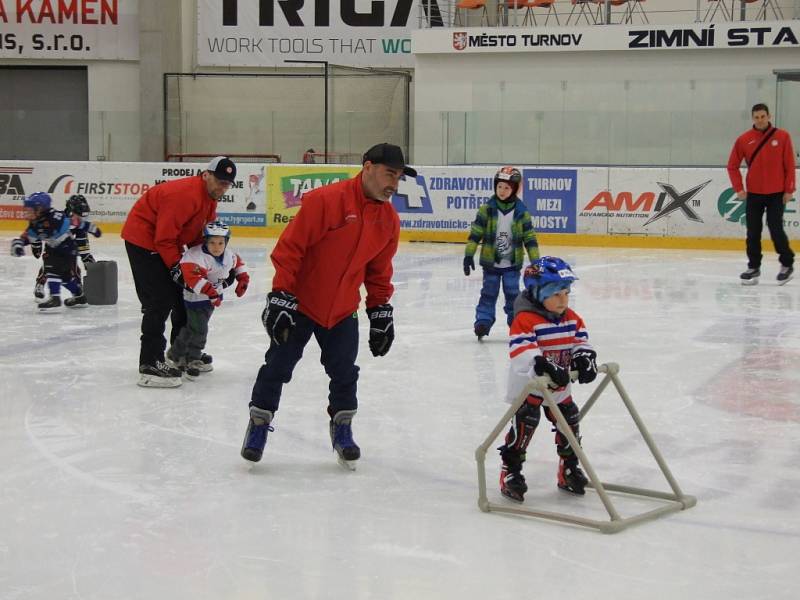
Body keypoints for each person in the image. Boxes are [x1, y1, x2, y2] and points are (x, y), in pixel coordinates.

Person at [241, 142, 414, 469]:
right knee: (277, 367)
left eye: (399, 176)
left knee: (345, 373)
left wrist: (380, 312)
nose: (394, 183)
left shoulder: (388, 220)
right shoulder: (326, 201)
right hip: (301, 305)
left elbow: (379, 273)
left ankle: (343, 429)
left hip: (343, 310)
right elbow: (290, 249)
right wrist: (281, 297)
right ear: (367, 167)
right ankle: (259, 424)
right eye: (390, 173)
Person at [121, 156, 237, 388]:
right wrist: (178, 268)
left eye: (227, 184)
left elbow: (198, 238)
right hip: (144, 242)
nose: (222, 188)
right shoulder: (184, 196)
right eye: (219, 181)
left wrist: (215, 264)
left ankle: (180, 352)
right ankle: (150, 363)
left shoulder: (209, 198)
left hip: (165, 243)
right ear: (206, 175)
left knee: (183, 296)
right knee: (160, 300)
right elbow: (164, 238)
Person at [498, 256, 598, 502]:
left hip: (559, 387)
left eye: (566, 293)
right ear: (537, 292)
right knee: (525, 423)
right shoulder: (525, 319)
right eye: (556, 294)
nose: (564, 300)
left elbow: (580, 341)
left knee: (570, 421)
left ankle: (569, 467)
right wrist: (541, 363)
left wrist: (584, 357)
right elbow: (521, 350)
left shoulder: (571, 317)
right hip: (530, 387)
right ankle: (511, 471)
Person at [463, 166, 540, 340]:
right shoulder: (487, 209)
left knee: (513, 295)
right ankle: (483, 322)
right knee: (488, 293)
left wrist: (537, 262)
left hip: (511, 265)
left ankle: (516, 323)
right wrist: (469, 255)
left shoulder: (521, 212)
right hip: (491, 263)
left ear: (514, 189)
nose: (502, 191)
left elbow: (530, 238)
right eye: (499, 187)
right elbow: (475, 233)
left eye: (507, 188)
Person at [166, 221, 249, 380]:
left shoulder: (227, 254)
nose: (217, 247)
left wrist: (243, 279)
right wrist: (212, 294)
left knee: (192, 328)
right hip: (196, 299)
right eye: (212, 242)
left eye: (220, 243)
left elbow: (238, 263)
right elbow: (193, 279)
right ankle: (194, 358)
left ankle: (176, 353)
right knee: (199, 329)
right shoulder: (195, 256)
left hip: (210, 300)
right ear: (205, 241)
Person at [727, 103, 796, 286]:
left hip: (776, 193)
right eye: (756, 117)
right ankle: (754, 267)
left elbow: (789, 164)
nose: (760, 120)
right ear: (753, 118)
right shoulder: (744, 139)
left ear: (769, 116)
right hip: (754, 194)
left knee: (775, 228)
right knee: (753, 232)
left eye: (763, 116)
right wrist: (738, 188)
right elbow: (732, 165)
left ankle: (787, 264)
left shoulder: (782, 137)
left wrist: (789, 189)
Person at [11, 192, 101, 311]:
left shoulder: (55, 217)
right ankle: (79, 295)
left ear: (40, 209)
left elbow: (76, 223)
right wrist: (19, 244)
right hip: (55, 249)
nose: (27, 212)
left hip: (66, 249)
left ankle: (55, 297)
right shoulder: (35, 223)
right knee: (65, 278)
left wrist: (92, 229)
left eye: (30, 210)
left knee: (51, 268)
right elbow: (28, 236)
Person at [33, 194, 96, 300]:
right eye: (78, 215)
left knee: (73, 267)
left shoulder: (79, 224)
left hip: (68, 248)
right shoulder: (56, 218)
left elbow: (82, 239)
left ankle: (77, 290)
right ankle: (40, 284)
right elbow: (38, 229)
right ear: (71, 211)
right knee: (49, 266)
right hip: (53, 248)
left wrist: (86, 257)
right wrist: (36, 243)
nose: (81, 219)